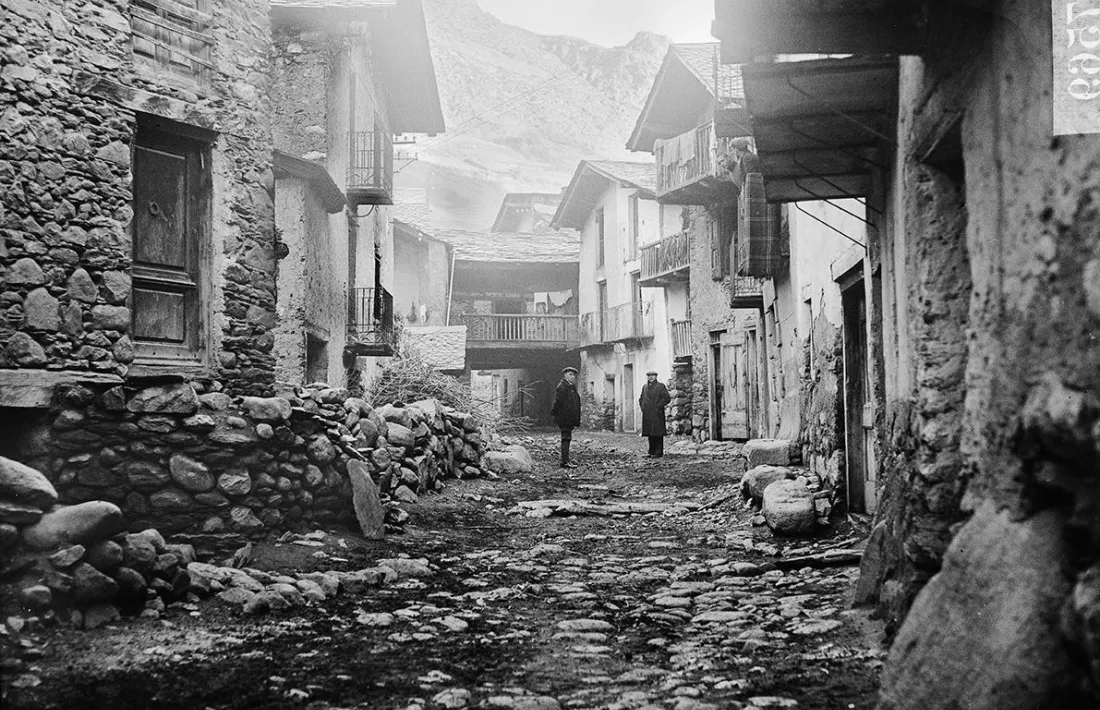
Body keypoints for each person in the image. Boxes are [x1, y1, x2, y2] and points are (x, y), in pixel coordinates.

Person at [549, 366, 581, 468]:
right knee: (566, 438)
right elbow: (558, 402)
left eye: (573, 375)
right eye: (570, 375)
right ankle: (565, 461)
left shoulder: (570, 386)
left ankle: (566, 459)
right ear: (565, 375)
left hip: (569, 417)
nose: (572, 377)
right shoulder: (562, 386)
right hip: (565, 417)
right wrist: (554, 412)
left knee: (567, 438)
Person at [638, 370, 671, 458]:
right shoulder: (645, 387)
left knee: (658, 433)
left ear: (656, 376)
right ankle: (651, 451)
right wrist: (643, 407)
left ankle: (658, 452)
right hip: (647, 414)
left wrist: (658, 407)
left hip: (657, 414)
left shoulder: (661, 386)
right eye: (649, 376)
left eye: (653, 375)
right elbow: (641, 398)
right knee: (650, 433)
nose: (651, 377)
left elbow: (666, 398)